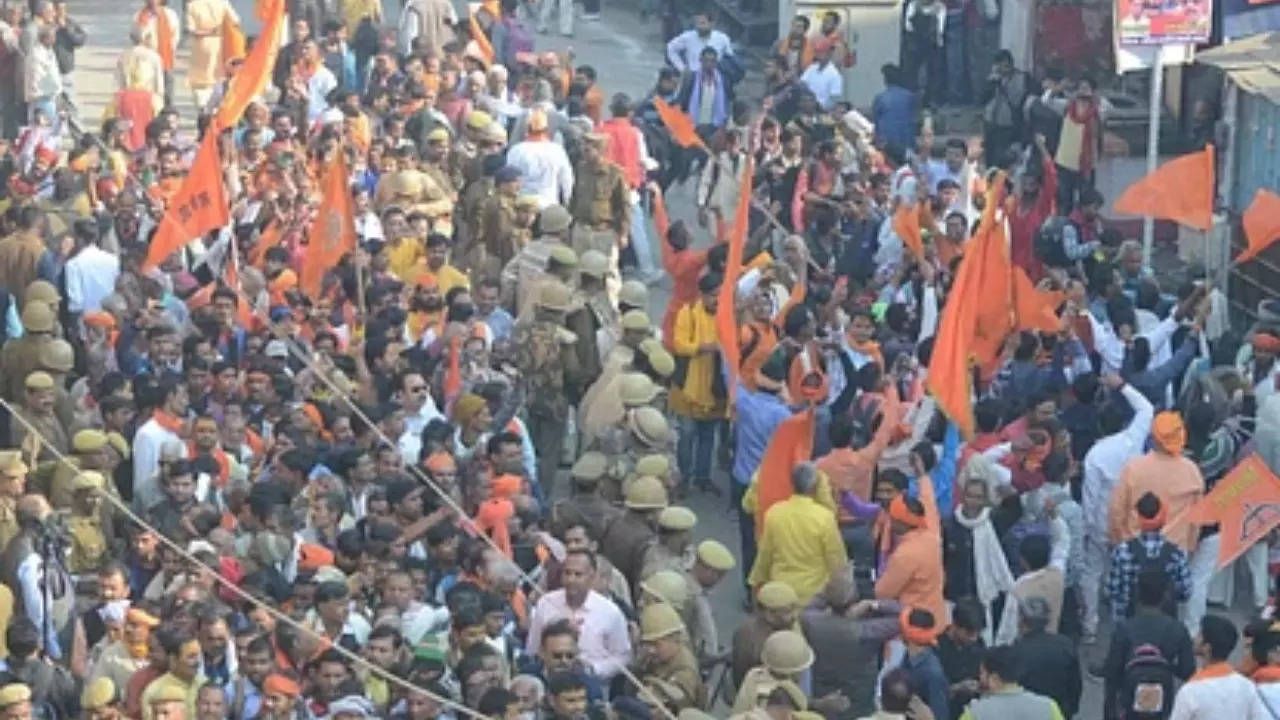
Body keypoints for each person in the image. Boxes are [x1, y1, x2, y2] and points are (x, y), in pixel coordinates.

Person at [525, 550, 632, 683]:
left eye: (578, 574)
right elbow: (533, 648)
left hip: (594, 686)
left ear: (591, 577)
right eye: (567, 573)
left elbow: (623, 656)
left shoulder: (610, 612)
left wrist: (593, 670)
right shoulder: (546, 603)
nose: (571, 580)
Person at [747, 462, 848, 604]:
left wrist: (756, 581)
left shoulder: (775, 513)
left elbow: (765, 554)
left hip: (782, 589)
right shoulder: (824, 518)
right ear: (815, 487)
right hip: (813, 594)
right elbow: (836, 559)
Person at [1102, 571, 1196, 720]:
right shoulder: (1177, 629)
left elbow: (1112, 671)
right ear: (1166, 596)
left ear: (1137, 593)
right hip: (1163, 695)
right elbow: (1188, 670)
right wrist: (1167, 665)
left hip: (1129, 695)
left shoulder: (1124, 628)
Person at [1168, 615, 1268, 719]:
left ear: (1207, 648)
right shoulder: (1247, 686)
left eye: (1199, 635)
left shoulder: (1190, 691)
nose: (1195, 638)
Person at [1009, 597, 1080, 719]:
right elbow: (1075, 685)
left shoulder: (1016, 651)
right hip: (1059, 711)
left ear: (1021, 620)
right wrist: (1070, 710)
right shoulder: (1065, 644)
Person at [959, 646, 1065, 720]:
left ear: (994, 678)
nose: (979, 678)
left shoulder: (976, 713)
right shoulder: (1049, 707)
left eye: (982, 673)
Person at [665, 13, 733, 74]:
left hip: (714, 78)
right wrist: (682, 68)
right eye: (697, 23)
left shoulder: (722, 38)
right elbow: (670, 48)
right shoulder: (688, 37)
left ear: (712, 24)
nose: (698, 26)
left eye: (702, 23)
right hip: (693, 76)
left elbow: (729, 58)